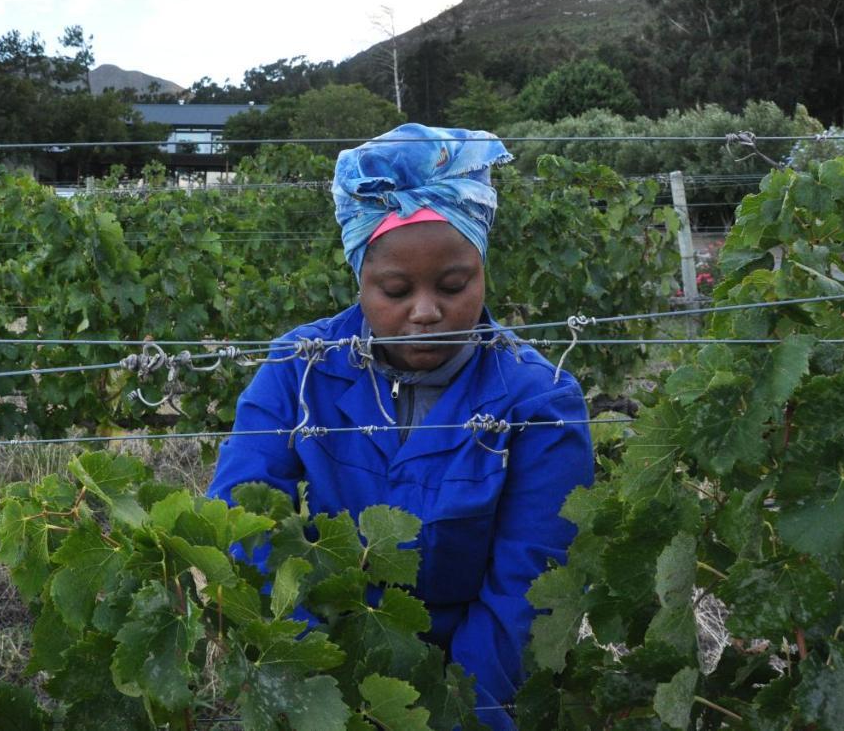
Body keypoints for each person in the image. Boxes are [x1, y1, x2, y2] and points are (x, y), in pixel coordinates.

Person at [208, 124, 594, 731]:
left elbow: (528, 584)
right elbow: (240, 519)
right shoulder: (298, 368)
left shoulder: (539, 399)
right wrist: (320, 687)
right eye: (394, 289)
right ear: (358, 280)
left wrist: (458, 711)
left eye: (453, 286)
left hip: (476, 681)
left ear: (483, 271)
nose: (424, 313)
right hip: (322, 667)